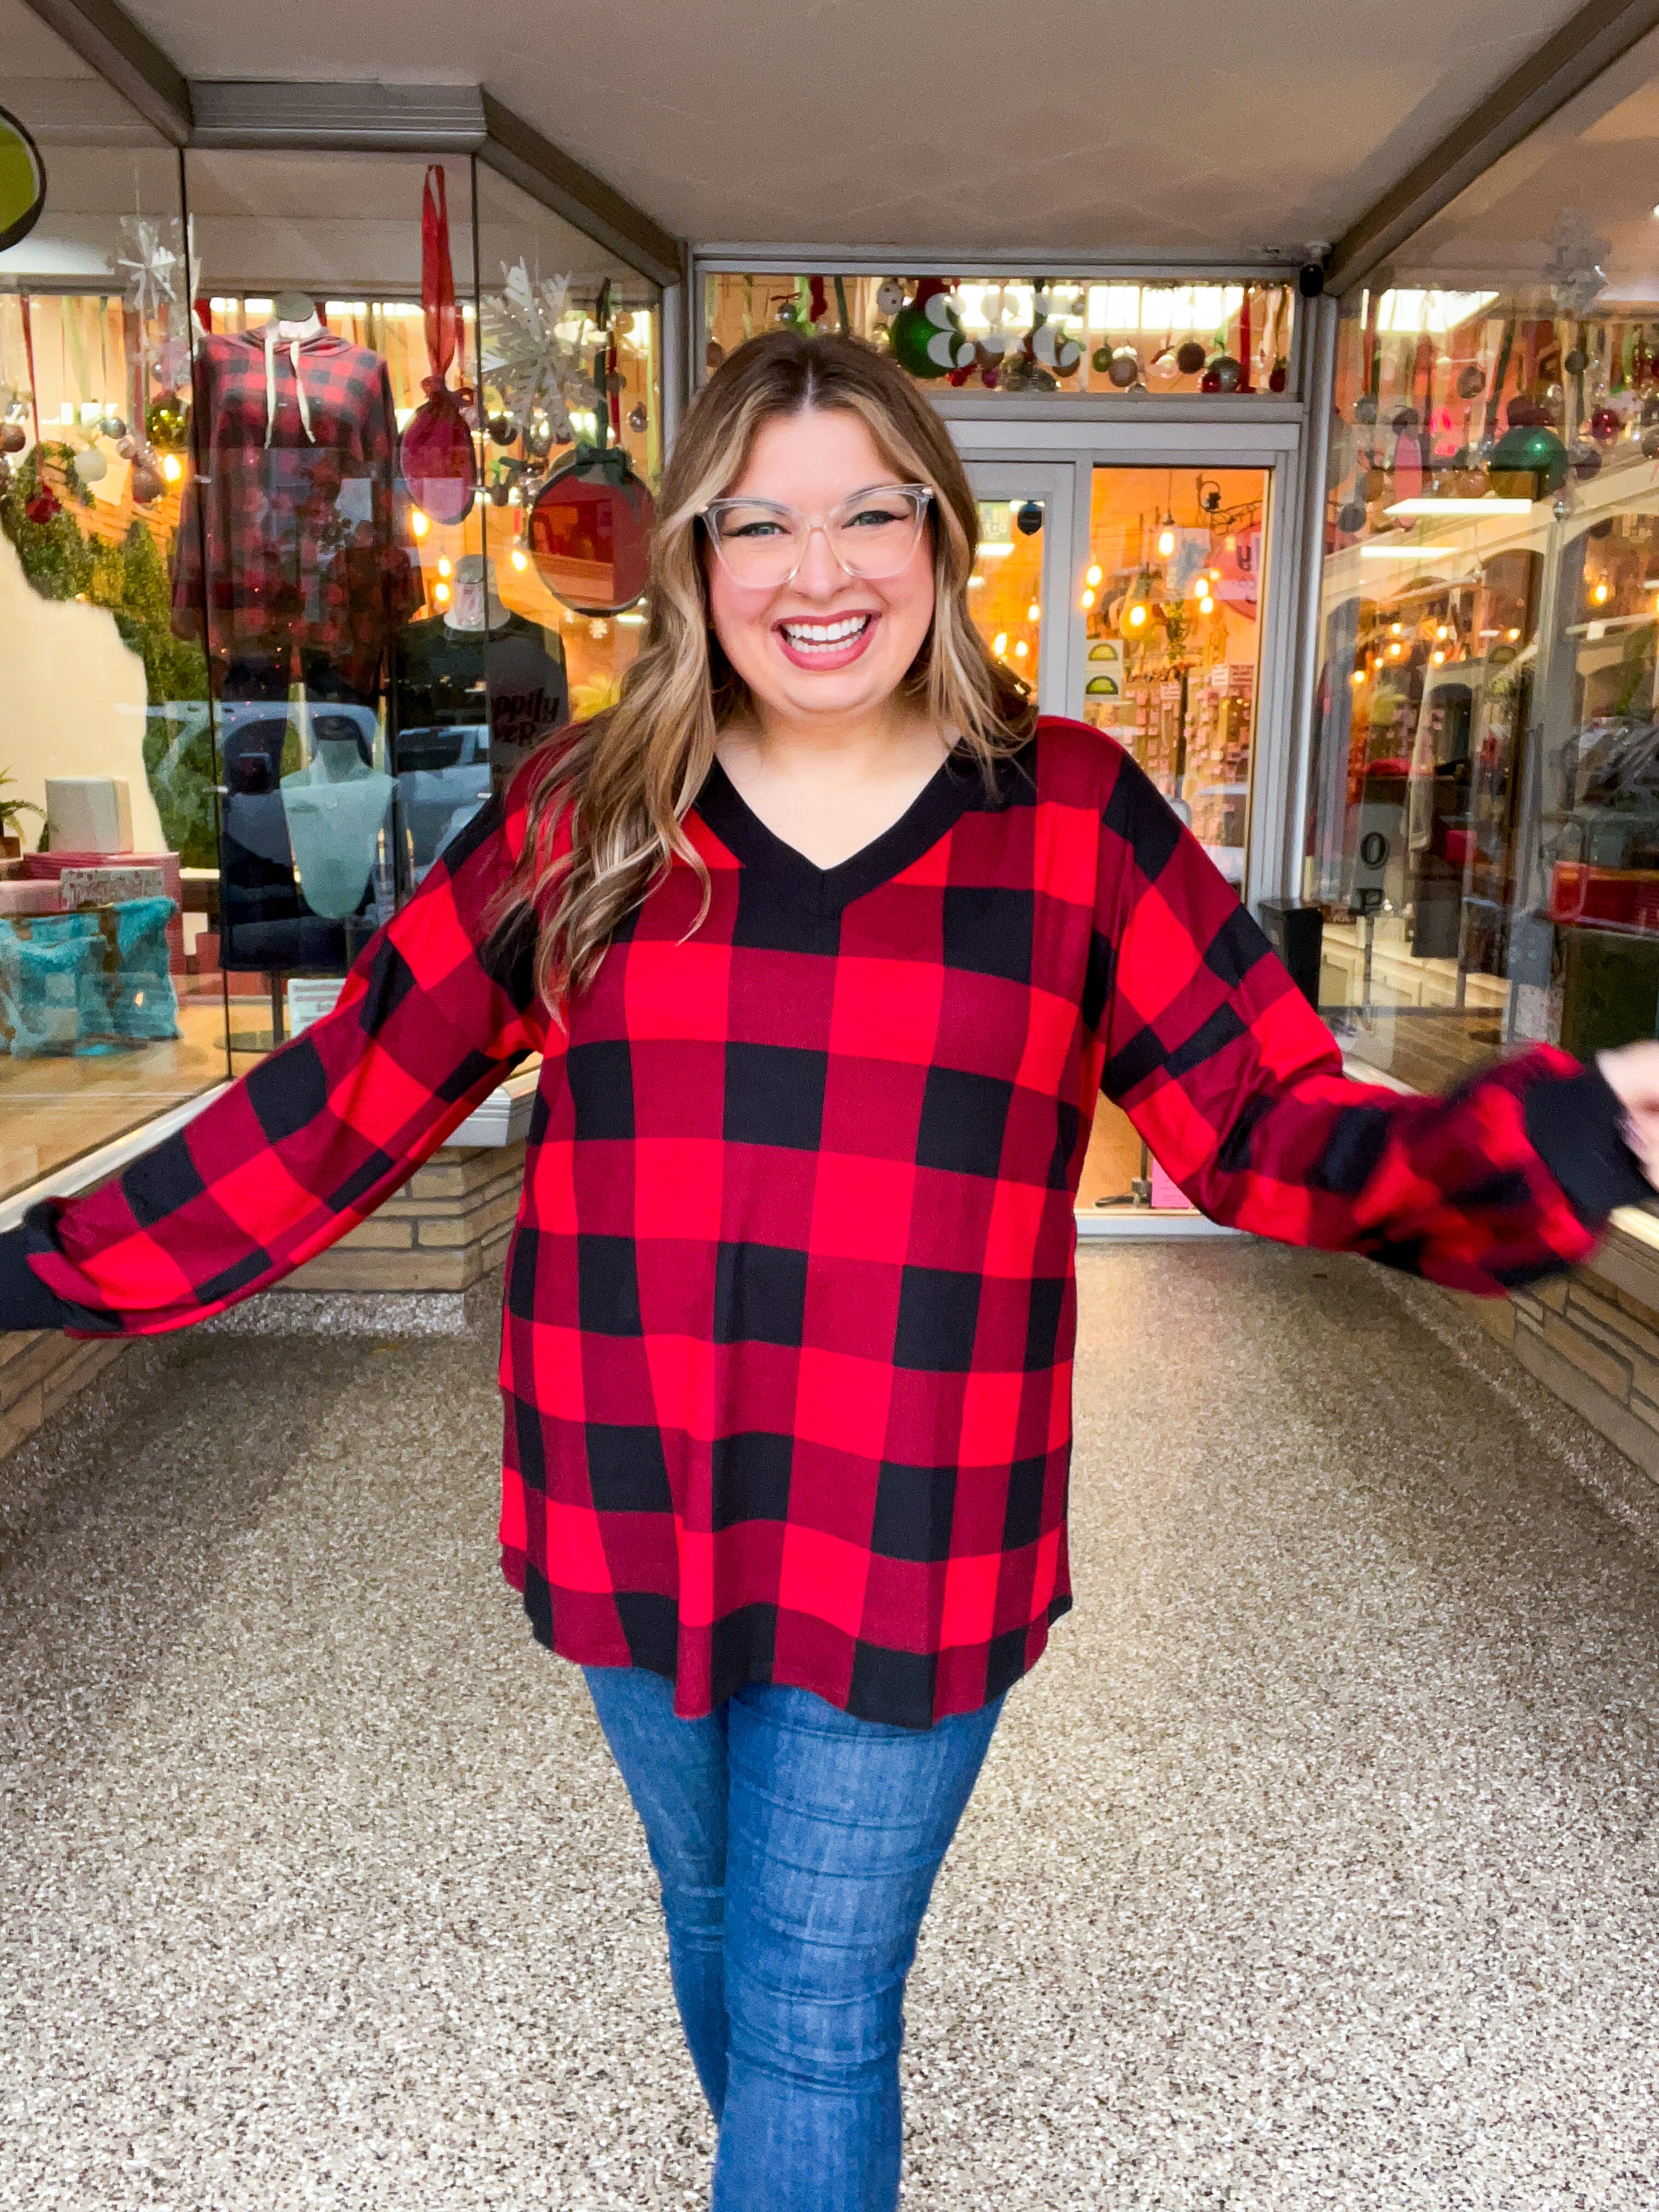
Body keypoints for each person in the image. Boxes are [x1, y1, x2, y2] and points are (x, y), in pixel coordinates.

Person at [5, 329, 1659, 2211]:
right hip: (634, 1509)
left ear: (944, 540)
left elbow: (1268, 1122)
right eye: (761, 525)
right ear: (695, 562)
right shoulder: (586, 817)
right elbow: (340, 1098)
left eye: (872, 513)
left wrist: (1558, 1125)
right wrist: (45, 1265)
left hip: (915, 1528)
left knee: (814, 2010)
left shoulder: (1076, 821)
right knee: (718, 1939)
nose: (820, 574)